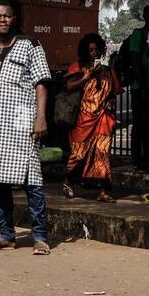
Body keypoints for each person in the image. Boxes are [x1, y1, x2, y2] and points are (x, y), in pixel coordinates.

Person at [0, 2, 53, 254]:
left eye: (7, 16)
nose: (2, 19)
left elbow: (41, 82)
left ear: (13, 19)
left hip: (22, 120)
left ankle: (40, 237)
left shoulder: (31, 45)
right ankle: (7, 236)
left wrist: (41, 117)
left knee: (31, 179)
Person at [62, 32, 120, 202]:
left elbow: (115, 90)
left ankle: (102, 191)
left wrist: (110, 102)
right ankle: (67, 182)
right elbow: (69, 86)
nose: (94, 53)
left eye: (96, 50)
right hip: (84, 118)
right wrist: (87, 76)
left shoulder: (107, 70)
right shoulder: (78, 66)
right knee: (78, 153)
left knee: (102, 153)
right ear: (85, 51)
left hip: (103, 118)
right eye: (90, 50)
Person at [119, 6, 149, 170]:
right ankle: (138, 160)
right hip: (140, 87)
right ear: (145, 16)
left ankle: (147, 158)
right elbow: (135, 61)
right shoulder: (138, 34)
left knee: (148, 124)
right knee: (140, 124)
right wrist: (143, 87)